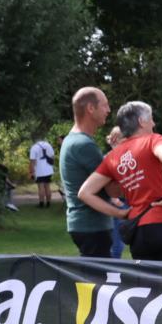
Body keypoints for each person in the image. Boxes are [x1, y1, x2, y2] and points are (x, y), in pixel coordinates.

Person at [78, 101, 162, 262]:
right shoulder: (153, 139)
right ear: (141, 121)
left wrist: (119, 213)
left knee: (147, 285)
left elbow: (85, 192)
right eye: (151, 119)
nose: (153, 123)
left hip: (138, 229)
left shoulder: (112, 156)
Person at [60, 87, 114, 257]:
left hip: (85, 225)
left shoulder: (73, 139)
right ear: (91, 108)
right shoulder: (84, 144)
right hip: (92, 227)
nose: (108, 110)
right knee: (98, 281)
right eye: (104, 105)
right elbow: (112, 186)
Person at [105, 126, 127, 259]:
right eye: (123, 138)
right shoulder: (108, 158)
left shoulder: (127, 158)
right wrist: (114, 200)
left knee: (120, 244)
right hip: (116, 205)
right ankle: (112, 274)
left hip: (127, 203)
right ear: (114, 140)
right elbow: (101, 184)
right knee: (116, 246)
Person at [29, 137, 56, 207]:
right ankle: (48, 203)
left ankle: (41, 203)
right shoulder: (48, 145)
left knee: (40, 186)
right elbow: (53, 157)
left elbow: (32, 161)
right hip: (48, 170)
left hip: (39, 170)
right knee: (47, 186)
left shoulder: (34, 147)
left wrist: (32, 171)